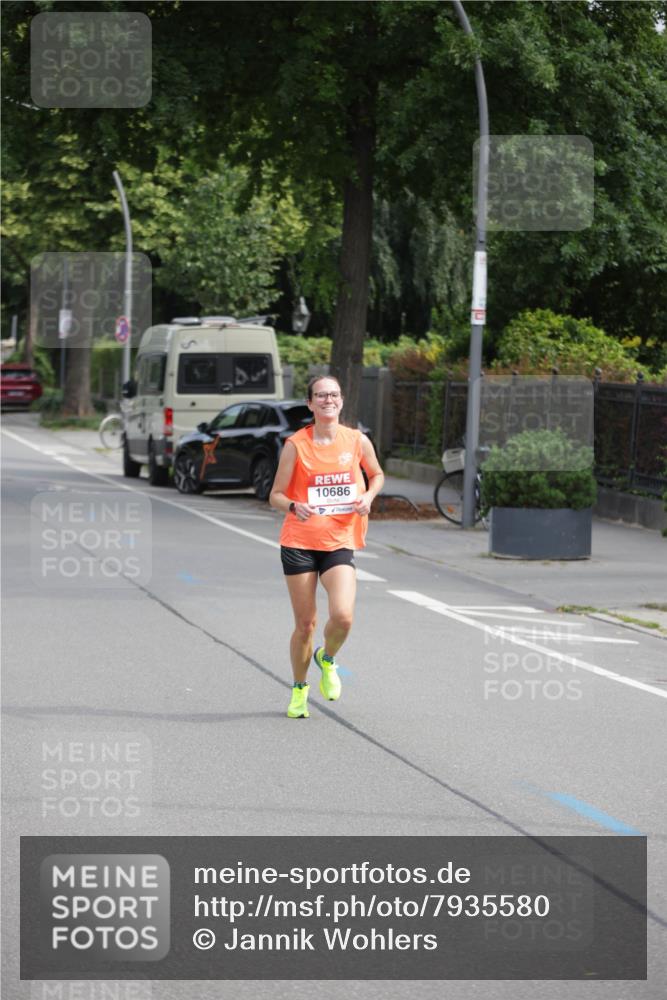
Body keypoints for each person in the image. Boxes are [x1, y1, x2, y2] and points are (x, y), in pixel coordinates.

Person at [269, 375, 385, 718]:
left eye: (333, 394)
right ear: (310, 403)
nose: (328, 400)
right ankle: (299, 689)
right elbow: (275, 495)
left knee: (343, 616)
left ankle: (327, 657)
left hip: (339, 540)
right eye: (320, 395)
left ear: (341, 400)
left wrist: (368, 496)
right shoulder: (296, 445)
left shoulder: (356, 440)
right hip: (300, 542)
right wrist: (293, 506)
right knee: (305, 624)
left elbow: (377, 475)